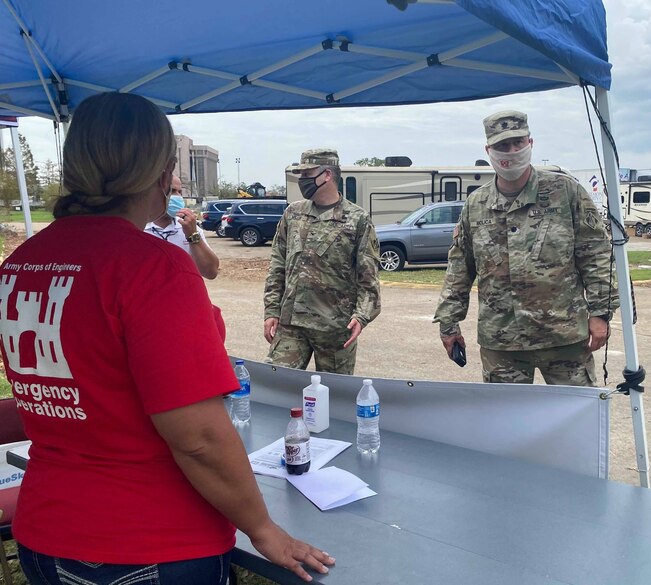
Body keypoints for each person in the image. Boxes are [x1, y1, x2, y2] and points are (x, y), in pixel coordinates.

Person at [0, 92, 334, 584]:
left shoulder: (21, 263)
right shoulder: (151, 265)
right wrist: (263, 528)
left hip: (47, 533)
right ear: (157, 173)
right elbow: (197, 437)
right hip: (149, 543)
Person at [434, 110, 618, 386]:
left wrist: (600, 314)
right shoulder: (476, 205)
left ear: (530, 143)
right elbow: (459, 269)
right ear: (489, 150)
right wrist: (448, 323)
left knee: (574, 420)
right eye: (502, 146)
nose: (512, 151)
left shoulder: (565, 192)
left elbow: (596, 256)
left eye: (518, 142)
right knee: (507, 424)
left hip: (562, 336)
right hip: (503, 340)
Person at [264, 149, 381, 375]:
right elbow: (277, 265)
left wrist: (361, 316)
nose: (302, 180)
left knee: (334, 396)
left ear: (327, 175)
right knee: (278, 383)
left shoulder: (357, 219)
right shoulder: (293, 214)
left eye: (307, 173)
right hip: (292, 324)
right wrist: (271, 310)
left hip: (334, 328)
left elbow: (369, 279)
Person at [144, 174, 220, 279]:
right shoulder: (140, 228)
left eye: (180, 192)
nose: (178, 197)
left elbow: (211, 272)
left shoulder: (189, 228)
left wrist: (193, 236)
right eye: (172, 191)